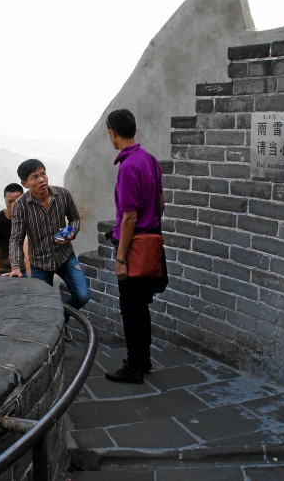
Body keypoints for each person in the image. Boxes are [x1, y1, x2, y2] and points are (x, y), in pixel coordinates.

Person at [103, 109, 164, 384]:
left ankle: (133, 368)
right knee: (142, 307)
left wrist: (121, 258)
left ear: (112, 133)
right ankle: (145, 360)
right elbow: (160, 205)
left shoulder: (128, 167)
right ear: (135, 130)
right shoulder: (150, 160)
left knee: (131, 309)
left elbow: (129, 217)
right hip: (151, 244)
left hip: (134, 248)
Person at [7, 160, 89, 315]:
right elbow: (16, 239)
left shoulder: (62, 194)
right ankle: (56, 324)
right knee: (42, 306)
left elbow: (75, 219)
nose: (41, 180)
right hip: (40, 262)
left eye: (43, 174)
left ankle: (61, 318)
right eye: (35, 177)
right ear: (25, 184)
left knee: (82, 296)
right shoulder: (21, 205)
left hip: (65, 256)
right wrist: (16, 267)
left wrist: (71, 233)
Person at [0, 183, 30, 277]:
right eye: (9, 201)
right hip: (2, 271)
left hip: (21, 270)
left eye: (17, 201)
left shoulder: (27, 218)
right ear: (5, 200)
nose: (13, 205)